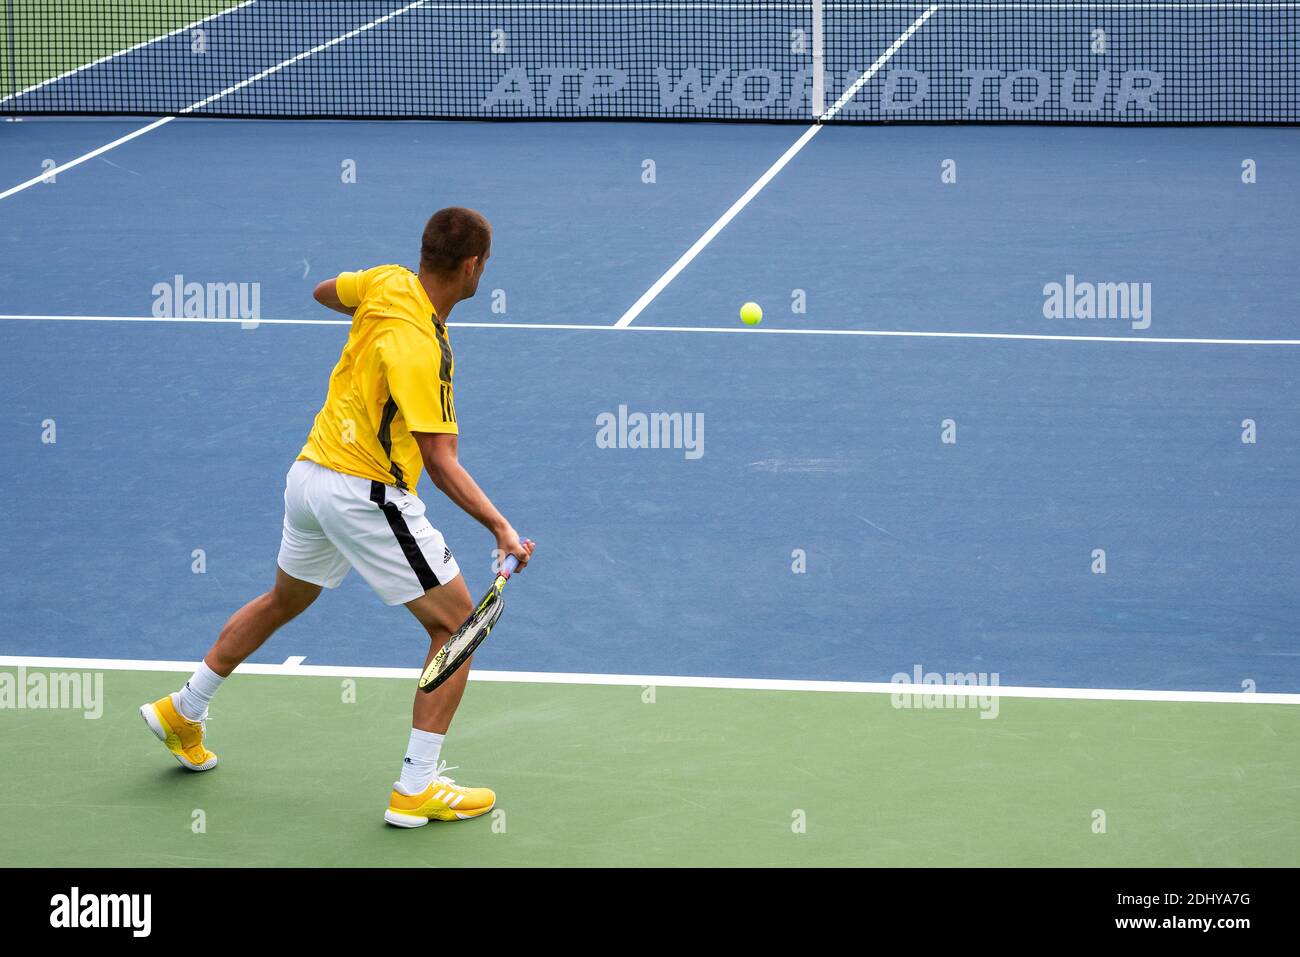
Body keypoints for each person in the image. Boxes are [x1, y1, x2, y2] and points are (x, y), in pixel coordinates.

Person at [140, 206, 532, 827]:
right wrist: (501, 527)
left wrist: (369, 322)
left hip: (308, 477)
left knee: (283, 600)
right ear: (473, 265)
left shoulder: (385, 282)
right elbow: (441, 460)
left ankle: (184, 709)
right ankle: (416, 788)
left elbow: (325, 290)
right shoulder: (423, 350)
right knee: (458, 627)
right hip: (364, 494)